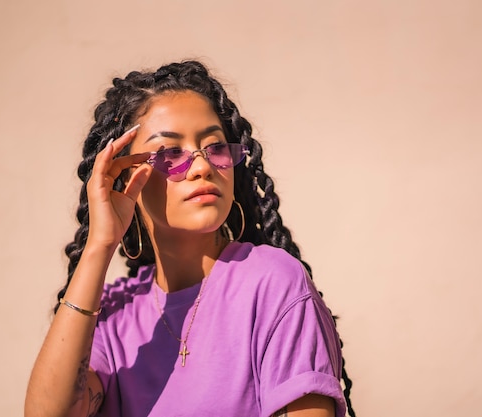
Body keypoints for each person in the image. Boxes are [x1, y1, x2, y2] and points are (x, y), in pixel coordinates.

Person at [25, 60, 355, 417]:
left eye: (214, 147)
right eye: (170, 154)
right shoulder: (113, 315)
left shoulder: (271, 282)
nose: (202, 167)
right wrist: (99, 245)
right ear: (126, 175)